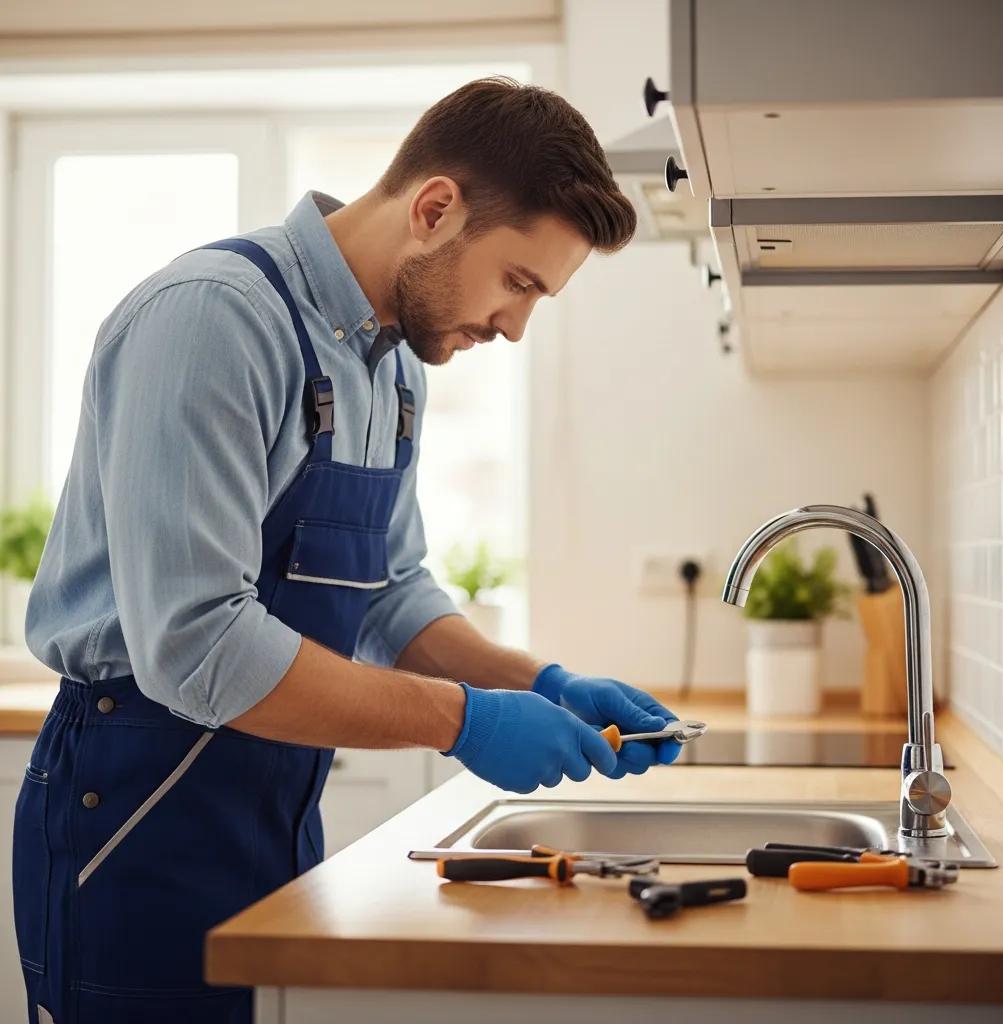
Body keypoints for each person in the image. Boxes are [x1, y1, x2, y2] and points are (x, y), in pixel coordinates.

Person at [13, 77, 681, 1024]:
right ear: (436, 209)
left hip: (274, 809)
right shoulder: (216, 320)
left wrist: (542, 684)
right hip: (133, 815)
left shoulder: (394, 365)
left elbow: (387, 595)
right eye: (519, 282)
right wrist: (462, 721)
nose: (515, 325)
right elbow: (199, 647)